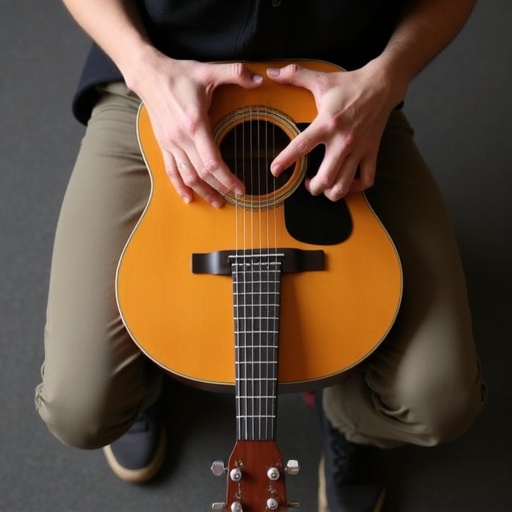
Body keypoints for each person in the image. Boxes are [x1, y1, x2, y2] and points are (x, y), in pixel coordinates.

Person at [36, 1, 487, 511]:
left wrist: (388, 76)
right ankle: (145, 374)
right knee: (80, 410)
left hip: (342, 95)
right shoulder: (151, 75)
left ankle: (348, 420)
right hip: (159, 83)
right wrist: (144, 68)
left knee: (442, 404)